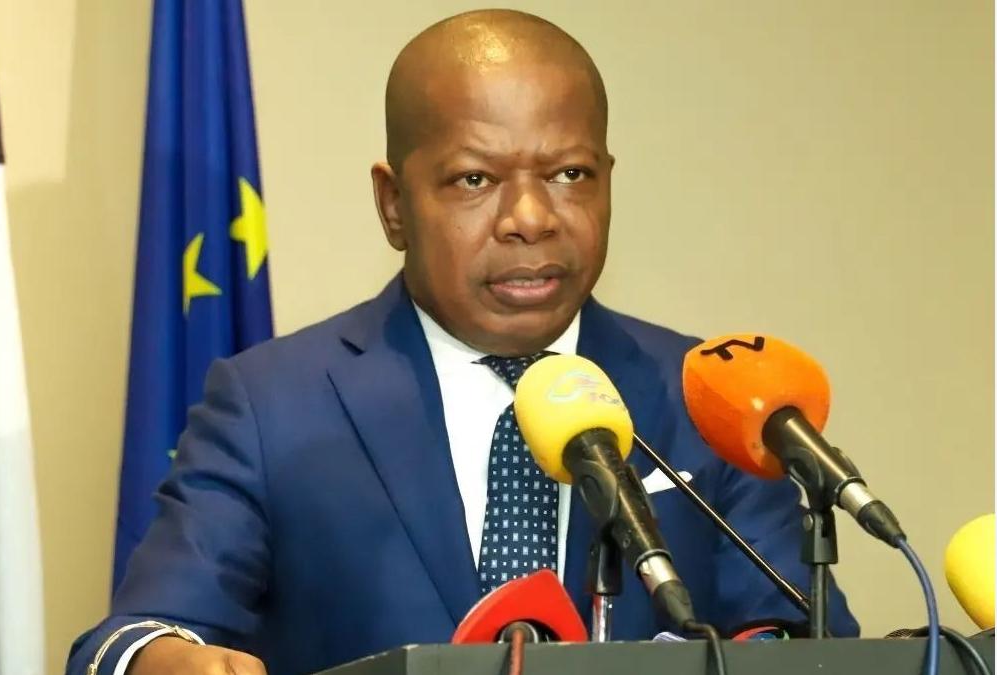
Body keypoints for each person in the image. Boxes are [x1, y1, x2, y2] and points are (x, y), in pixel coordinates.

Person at [67, 9, 859, 675]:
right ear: (394, 205)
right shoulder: (273, 406)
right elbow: (131, 637)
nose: (531, 218)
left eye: (570, 174)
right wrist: (166, 658)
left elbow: (802, 637)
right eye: (475, 179)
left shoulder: (704, 395)